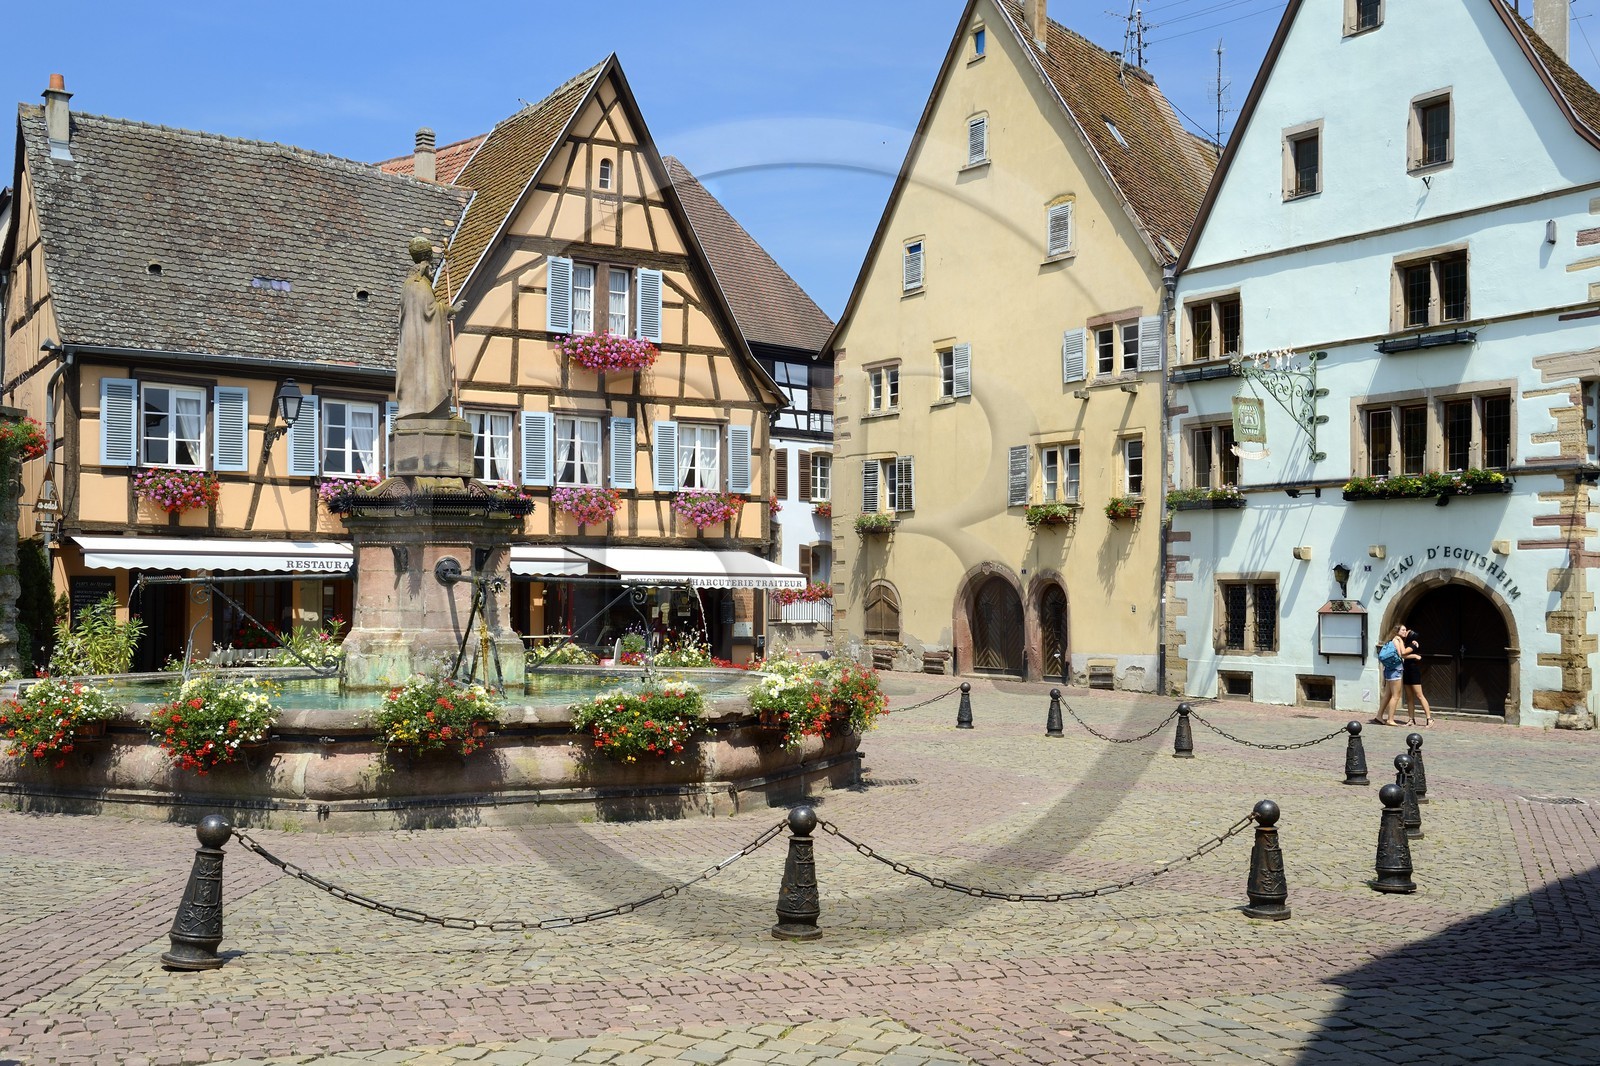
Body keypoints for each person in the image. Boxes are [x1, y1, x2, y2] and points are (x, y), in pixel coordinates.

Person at [1374, 624, 1406, 726]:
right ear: (1398, 632)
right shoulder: (1397, 641)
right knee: (1396, 696)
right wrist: (1413, 654)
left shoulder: (1391, 640)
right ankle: (1390, 719)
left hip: (1389, 670)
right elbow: (1402, 653)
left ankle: (1379, 716)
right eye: (1403, 630)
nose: (1405, 632)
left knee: (1388, 694)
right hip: (1396, 670)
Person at [1402, 625, 1433, 727]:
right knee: (1409, 697)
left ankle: (1429, 718)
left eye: (1407, 632)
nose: (1405, 632)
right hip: (1406, 671)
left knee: (1419, 695)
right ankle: (1411, 719)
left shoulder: (1413, 644)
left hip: (1413, 671)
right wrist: (1414, 656)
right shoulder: (1405, 644)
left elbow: (1403, 653)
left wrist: (1412, 655)